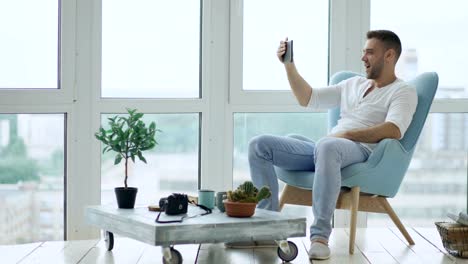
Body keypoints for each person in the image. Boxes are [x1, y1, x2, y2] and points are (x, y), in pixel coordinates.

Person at [248, 30, 417, 260]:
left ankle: (319, 237)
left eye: (369, 52)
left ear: (389, 55)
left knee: (328, 146)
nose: (363, 57)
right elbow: (307, 98)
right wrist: (289, 65)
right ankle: (267, 226)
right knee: (259, 145)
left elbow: (394, 129)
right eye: (363, 52)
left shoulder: (403, 91)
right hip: (328, 148)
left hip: (360, 152)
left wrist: (347, 134)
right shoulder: (353, 84)